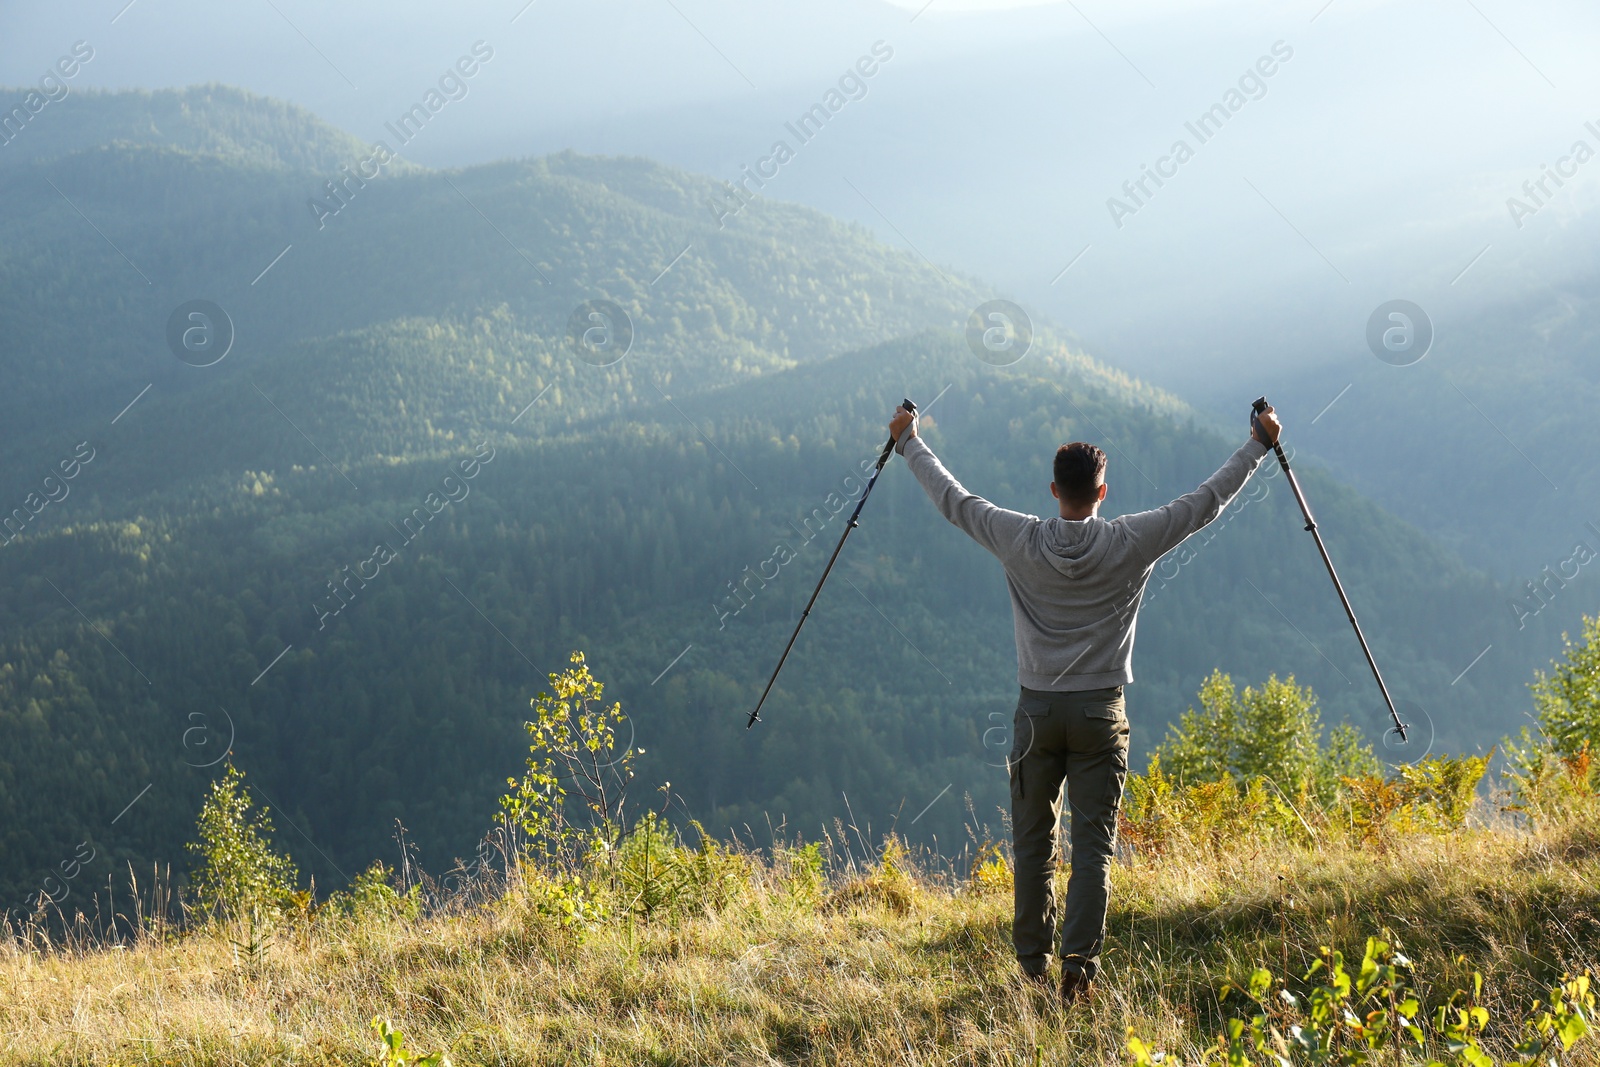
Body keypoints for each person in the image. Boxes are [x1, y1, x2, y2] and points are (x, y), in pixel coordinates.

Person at [887, 398, 1281, 1004]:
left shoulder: (1017, 538)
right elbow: (1205, 503)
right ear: (1103, 492)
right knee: (1092, 846)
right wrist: (1257, 444)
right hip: (1100, 713)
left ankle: (1030, 966)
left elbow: (954, 501)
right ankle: (1077, 972)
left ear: (1053, 490)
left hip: (1037, 712)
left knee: (1032, 843)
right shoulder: (1132, 540)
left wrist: (909, 440)